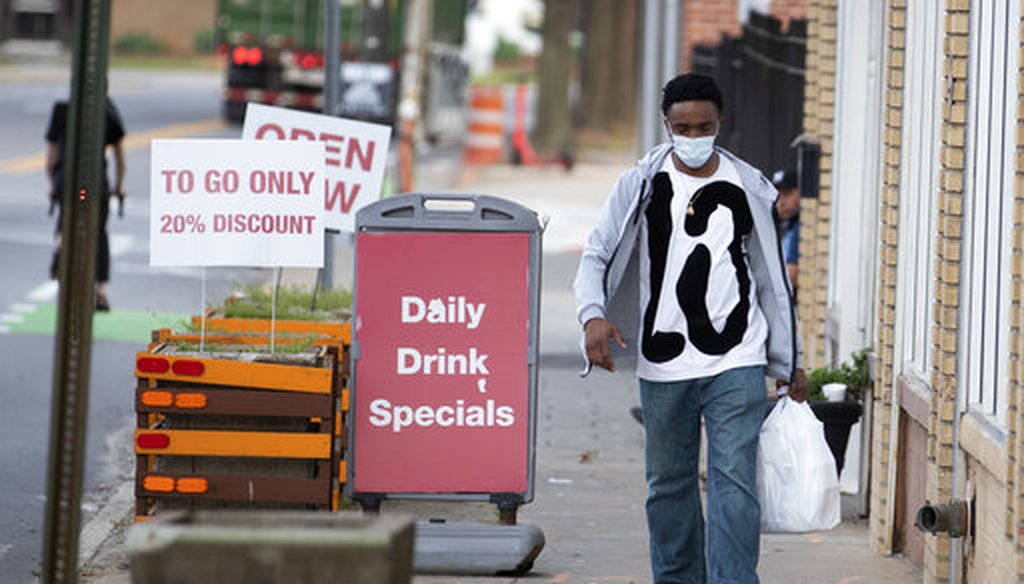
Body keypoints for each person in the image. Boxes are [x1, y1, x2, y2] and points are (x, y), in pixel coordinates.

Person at [573, 73, 807, 583]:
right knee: (669, 485)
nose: (694, 137)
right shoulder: (639, 184)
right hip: (664, 362)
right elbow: (596, 254)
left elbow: (771, 279)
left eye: (705, 127)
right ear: (666, 125)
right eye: (684, 127)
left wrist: (791, 362)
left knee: (735, 483)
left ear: (720, 124)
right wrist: (593, 314)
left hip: (737, 357)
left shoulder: (750, 186)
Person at [46, 97, 126, 311]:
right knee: (98, 231)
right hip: (95, 182)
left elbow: (51, 156)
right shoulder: (108, 111)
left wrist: (53, 184)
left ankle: (60, 249)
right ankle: (100, 291)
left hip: (66, 179)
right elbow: (119, 157)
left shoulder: (61, 110)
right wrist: (119, 186)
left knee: (65, 219)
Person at [772, 169, 800, 294]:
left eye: (787, 195)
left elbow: (792, 276)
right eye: (777, 197)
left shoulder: (801, 226)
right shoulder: (786, 226)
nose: (781, 203)